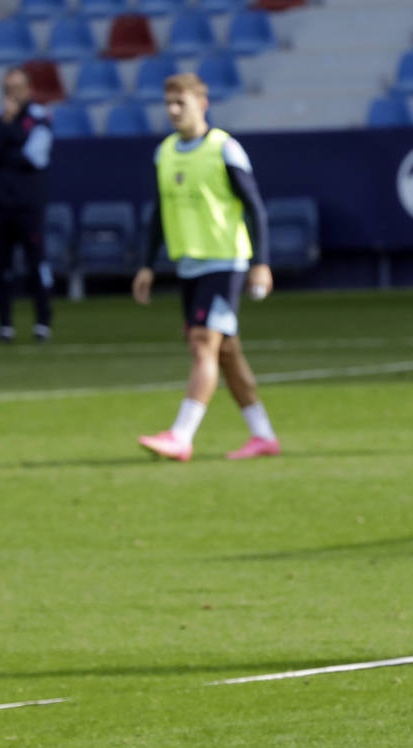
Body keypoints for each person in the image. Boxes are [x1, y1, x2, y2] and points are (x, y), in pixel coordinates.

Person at [133, 73, 280, 463]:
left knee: (202, 344)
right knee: (226, 353)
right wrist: (147, 265)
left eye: (181, 102)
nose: (173, 111)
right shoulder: (164, 153)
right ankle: (263, 435)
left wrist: (261, 263)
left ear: (203, 103)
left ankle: (181, 436)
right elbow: (159, 213)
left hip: (224, 262)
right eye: (168, 104)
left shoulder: (224, 149)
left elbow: (255, 208)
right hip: (188, 266)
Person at [0, 67, 54, 344]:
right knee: (0, 267)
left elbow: (34, 156)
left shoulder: (39, 117)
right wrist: (9, 134)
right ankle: (4, 325)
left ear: (29, 89)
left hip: (28, 204)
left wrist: (7, 133)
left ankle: (43, 322)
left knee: (36, 264)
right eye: (8, 89)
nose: (13, 94)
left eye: (18, 88)